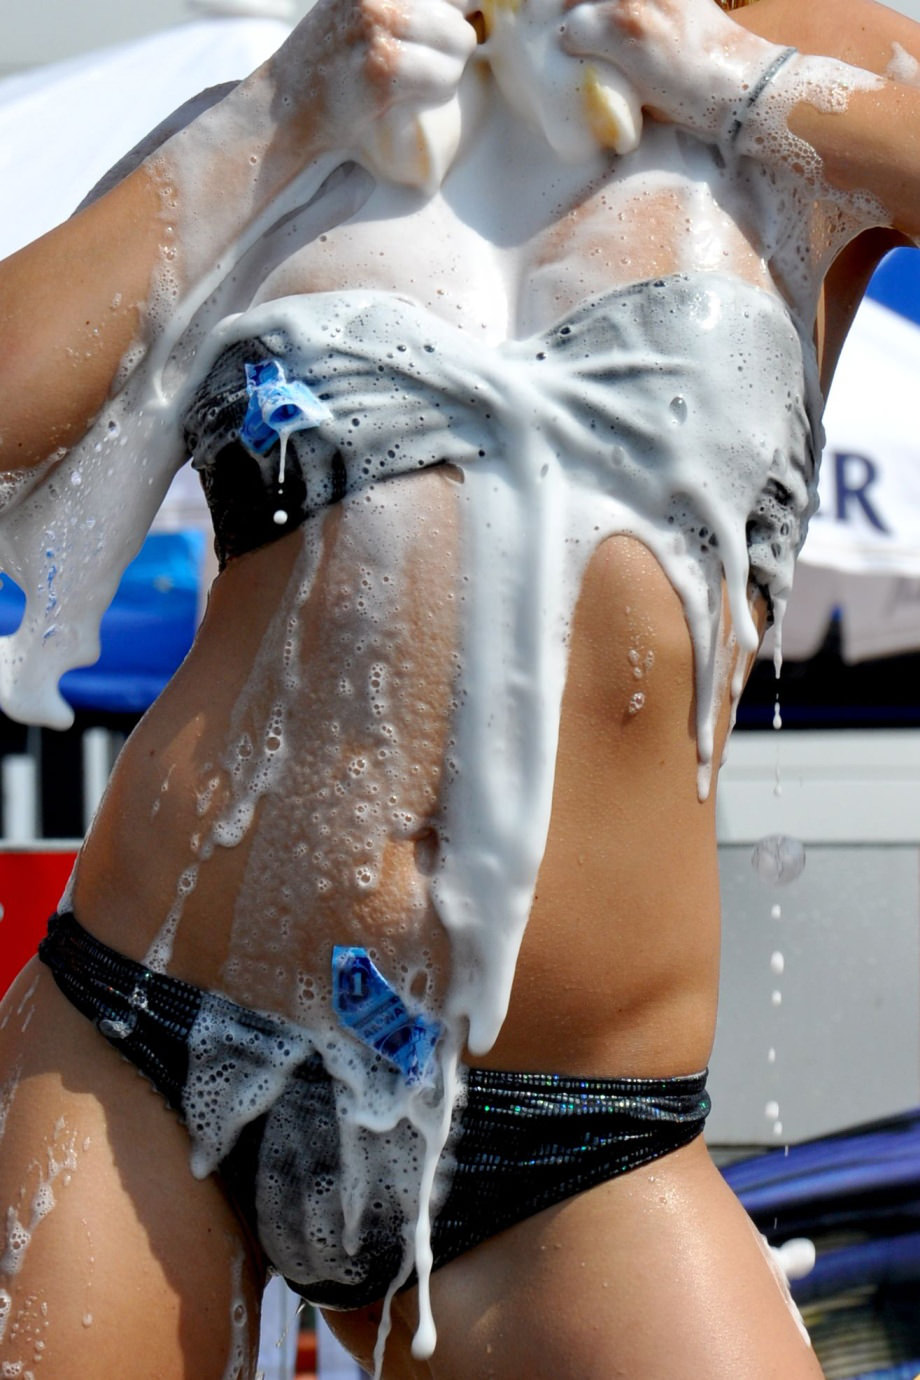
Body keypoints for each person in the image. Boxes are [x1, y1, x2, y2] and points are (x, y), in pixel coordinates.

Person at [1, 0, 920, 1376]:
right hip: (147, 1029)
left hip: (568, 1143)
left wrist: (733, 77)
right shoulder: (331, 70)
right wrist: (276, 116)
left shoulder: (809, 55)